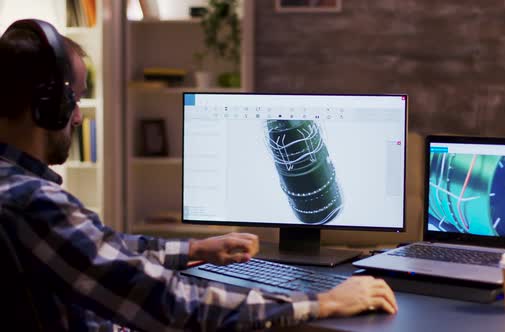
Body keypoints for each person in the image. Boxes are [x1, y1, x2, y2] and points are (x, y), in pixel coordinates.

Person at [0, 19, 398, 331]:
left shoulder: (13, 187)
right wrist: (325, 302)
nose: (77, 115)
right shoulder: (34, 203)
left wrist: (194, 251)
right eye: (77, 98)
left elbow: (101, 251)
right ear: (48, 104)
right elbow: (173, 305)